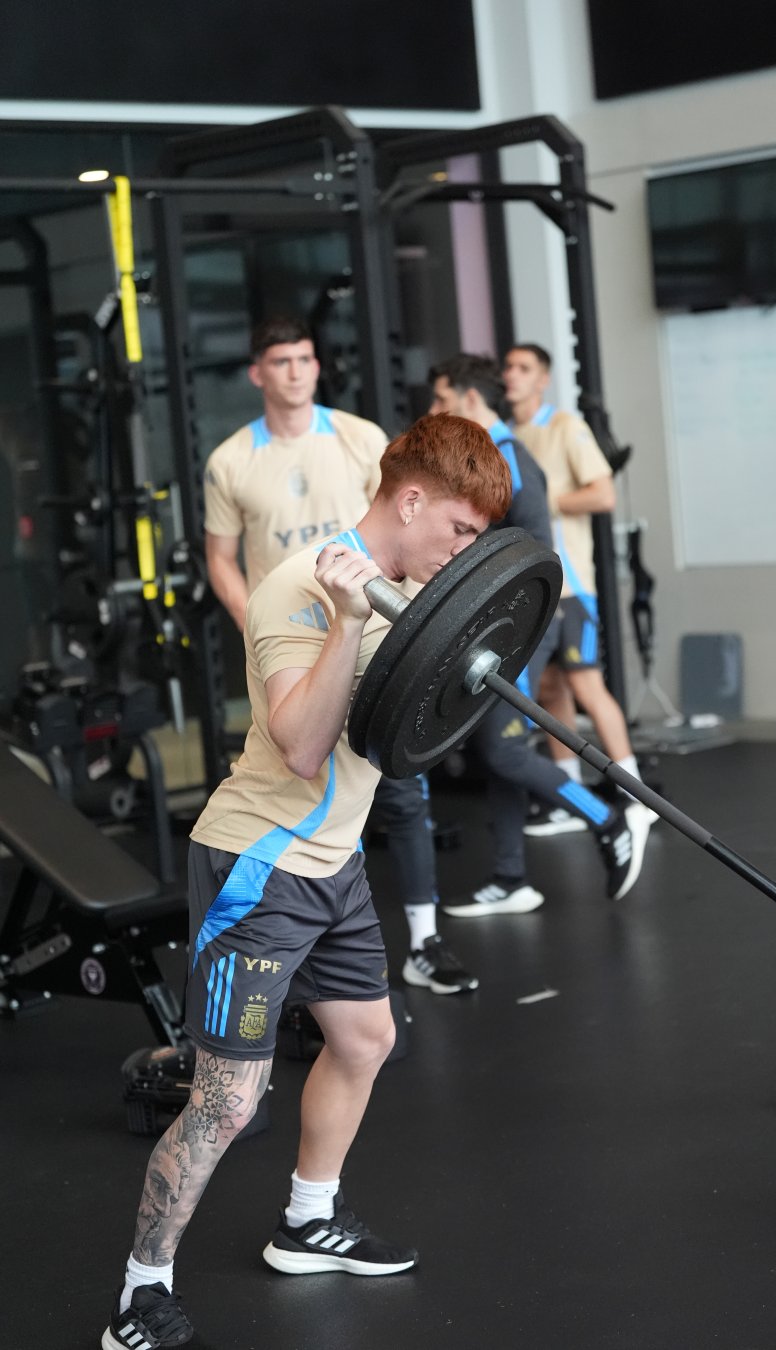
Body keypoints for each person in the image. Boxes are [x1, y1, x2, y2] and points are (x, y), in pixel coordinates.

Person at [100, 414, 512, 1350]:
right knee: (228, 1101)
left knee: (366, 1038)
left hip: (333, 859)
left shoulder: (407, 589)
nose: (461, 553)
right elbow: (300, 742)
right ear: (410, 501)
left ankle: (307, 1219)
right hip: (261, 864)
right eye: (458, 531)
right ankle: (139, 1290)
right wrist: (349, 622)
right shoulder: (300, 588)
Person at [204, 316, 477, 996]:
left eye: (305, 358)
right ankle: (286, 962)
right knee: (302, 774)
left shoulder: (359, 438)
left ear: (317, 367)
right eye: (281, 360)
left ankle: (422, 940)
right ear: (257, 373)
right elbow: (220, 559)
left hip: (375, 629)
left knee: (396, 786)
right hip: (294, 628)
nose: (296, 371)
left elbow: (401, 525)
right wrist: (258, 625)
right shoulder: (231, 460)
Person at [428, 354, 648, 912]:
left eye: (442, 400)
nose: (434, 411)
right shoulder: (489, 458)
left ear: (471, 401)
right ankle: (510, 877)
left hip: (530, 620)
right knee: (497, 744)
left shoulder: (505, 457)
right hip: (507, 622)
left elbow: (527, 545)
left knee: (502, 749)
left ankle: (606, 815)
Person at [502, 342, 654, 835]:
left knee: (587, 683)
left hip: (572, 584)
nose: (512, 375)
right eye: (508, 367)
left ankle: (640, 798)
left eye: (523, 368)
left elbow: (603, 492)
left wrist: (542, 506)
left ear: (542, 379)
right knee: (550, 689)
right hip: (535, 584)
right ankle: (569, 796)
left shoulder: (564, 426)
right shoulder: (508, 436)